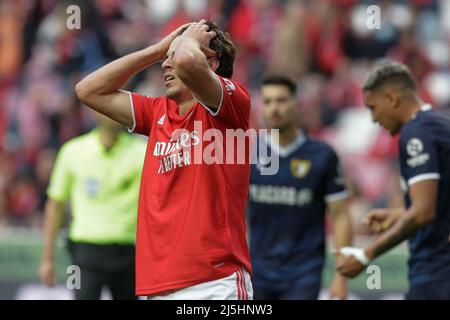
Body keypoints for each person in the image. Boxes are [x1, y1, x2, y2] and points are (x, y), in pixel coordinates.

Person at [75, 20, 253, 299]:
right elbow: (88, 90)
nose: (165, 66)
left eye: (175, 55)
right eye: (166, 59)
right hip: (157, 286)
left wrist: (187, 43)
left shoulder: (231, 106)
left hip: (214, 283)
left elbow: (186, 61)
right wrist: (157, 50)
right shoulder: (156, 112)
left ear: (212, 63)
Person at [336, 61, 450, 300]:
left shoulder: (416, 132)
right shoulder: (439, 125)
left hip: (436, 271)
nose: (374, 119)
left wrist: (365, 255)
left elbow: (423, 213)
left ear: (392, 98)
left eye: (373, 107)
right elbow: (439, 208)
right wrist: (398, 215)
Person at [248, 74, 353, 300]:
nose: (274, 108)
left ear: (296, 104)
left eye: (281, 100)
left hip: (303, 271)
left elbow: (341, 215)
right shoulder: (248, 153)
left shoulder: (322, 155)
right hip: (257, 270)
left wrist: (341, 276)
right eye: (267, 102)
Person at [39, 114, 147, 300]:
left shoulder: (142, 151)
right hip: (84, 251)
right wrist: (47, 259)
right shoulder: (73, 151)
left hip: (129, 250)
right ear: (95, 111)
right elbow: (55, 206)